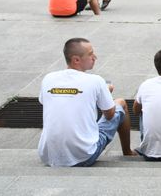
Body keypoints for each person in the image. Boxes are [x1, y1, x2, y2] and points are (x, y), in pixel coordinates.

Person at [38, 38, 134, 166]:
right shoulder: (96, 81)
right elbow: (110, 115)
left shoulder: (48, 78)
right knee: (120, 103)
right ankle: (128, 152)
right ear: (76, 60)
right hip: (83, 156)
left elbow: (47, 102)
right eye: (90, 54)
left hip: (48, 156)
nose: (95, 57)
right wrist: (105, 93)